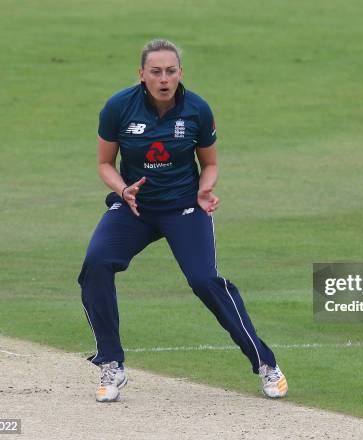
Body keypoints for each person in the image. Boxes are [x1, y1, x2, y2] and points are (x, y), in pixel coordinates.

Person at [78, 39, 288, 403]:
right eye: (156, 72)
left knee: (205, 280)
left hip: (184, 208)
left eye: (171, 71)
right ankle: (111, 362)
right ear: (141, 74)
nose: (164, 79)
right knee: (96, 264)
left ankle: (265, 364)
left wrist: (205, 191)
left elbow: (210, 163)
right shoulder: (118, 107)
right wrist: (124, 189)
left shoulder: (196, 110)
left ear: (180, 74)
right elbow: (103, 163)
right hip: (136, 208)